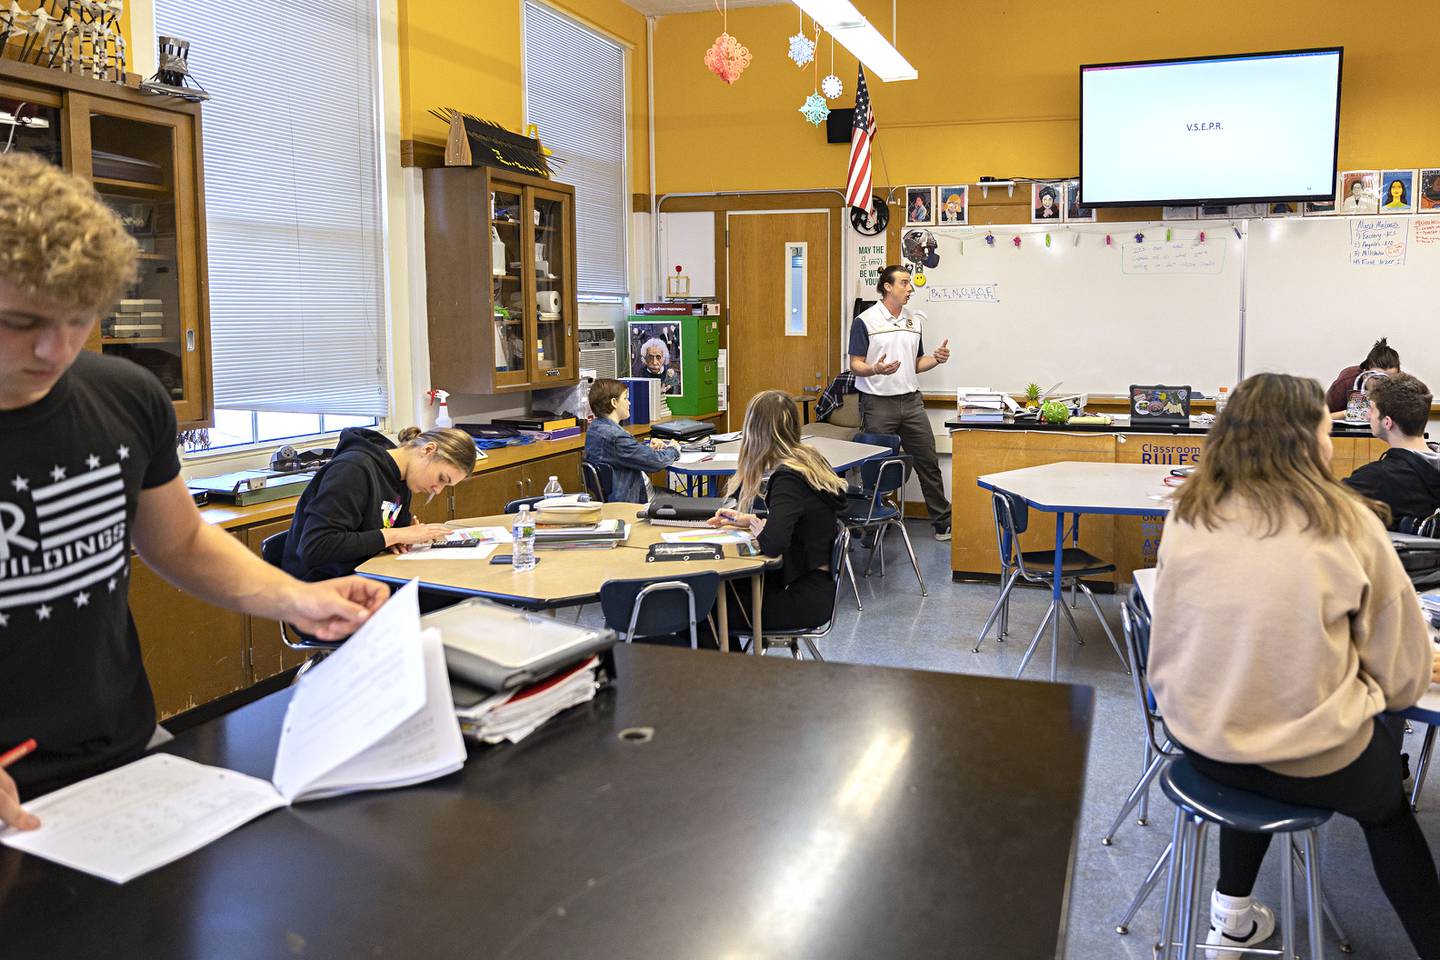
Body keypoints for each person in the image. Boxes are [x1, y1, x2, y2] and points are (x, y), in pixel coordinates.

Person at [0, 152, 388, 826]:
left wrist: (298, 598)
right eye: (21, 322)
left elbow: (179, 541)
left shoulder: (126, 398)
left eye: (79, 317)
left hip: (120, 748)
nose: (54, 351)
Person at [1148, 372, 1440, 960]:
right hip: (1309, 757)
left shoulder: (1187, 513)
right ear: (1305, 440)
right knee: (1387, 810)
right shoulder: (1349, 523)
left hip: (1203, 740)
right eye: (1327, 430)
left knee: (1254, 711)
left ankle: (1230, 920)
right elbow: (1405, 676)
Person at [707, 390, 847, 631]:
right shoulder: (809, 460)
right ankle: (733, 666)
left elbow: (773, 544)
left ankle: (730, 668)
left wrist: (764, 532)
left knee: (702, 611)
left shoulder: (788, 478)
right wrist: (751, 520)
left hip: (799, 596)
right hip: (816, 588)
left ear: (755, 432)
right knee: (715, 598)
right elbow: (797, 521)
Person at [281, 425, 476, 582]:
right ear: (427, 450)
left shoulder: (403, 480)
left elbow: (382, 533)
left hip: (368, 576)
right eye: (442, 478)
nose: (437, 490)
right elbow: (315, 547)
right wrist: (395, 535)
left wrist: (400, 539)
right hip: (320, 590)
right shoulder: (352, 470)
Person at [848, 265, 952, 540]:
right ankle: (872, 525)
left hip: (911, 401)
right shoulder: (866, 320)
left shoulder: (913, 321)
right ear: (887, 287)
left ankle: (942, 523)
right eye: (904, 283)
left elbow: (916, 363)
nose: (910, 288)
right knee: (877, 465)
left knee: (928, 461)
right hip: (878, 403)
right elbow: (855, 364)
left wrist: (936, 358)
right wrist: (875, 370)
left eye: (909, 283)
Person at [1344, 373, 1440, 531]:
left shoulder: (1376, 479)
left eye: (1372, 409)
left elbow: (1320, 504)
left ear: (1387, 423)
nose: (1367, 415)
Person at [583, 378, 679, 503]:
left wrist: (647, 449)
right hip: (638, 500)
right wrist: (674, 449)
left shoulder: (594, 429)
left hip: (620, 497)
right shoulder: (616, 437)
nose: (629, 403)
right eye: (625, 398)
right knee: (692, 506)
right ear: (614, 403)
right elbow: (655, 462)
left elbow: (623, 454)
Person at [1326, 336, 1401, 416]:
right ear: (1365, 375)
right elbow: (1318, 419)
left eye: (1389, 379)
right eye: (1376, 378)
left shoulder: (1405, 386)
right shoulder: (1346, 383)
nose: (1382, 384)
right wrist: (1349, 414)